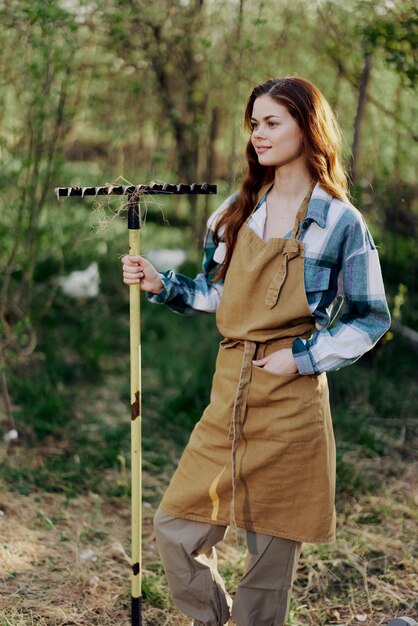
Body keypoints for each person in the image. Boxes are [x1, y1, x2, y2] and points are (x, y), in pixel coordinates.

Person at [122, 76, 391, 626]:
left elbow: (370, 317)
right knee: (177, 527)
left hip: (291, 399)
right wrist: (161, 283)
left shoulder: (340, 222)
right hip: (230, 387)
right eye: (254, 124)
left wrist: (304, 357)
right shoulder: (233, 212)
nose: (259, 135)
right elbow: (220, 292)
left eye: (272, 122)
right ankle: (215, 619)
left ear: (307, 127)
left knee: (269, 561)